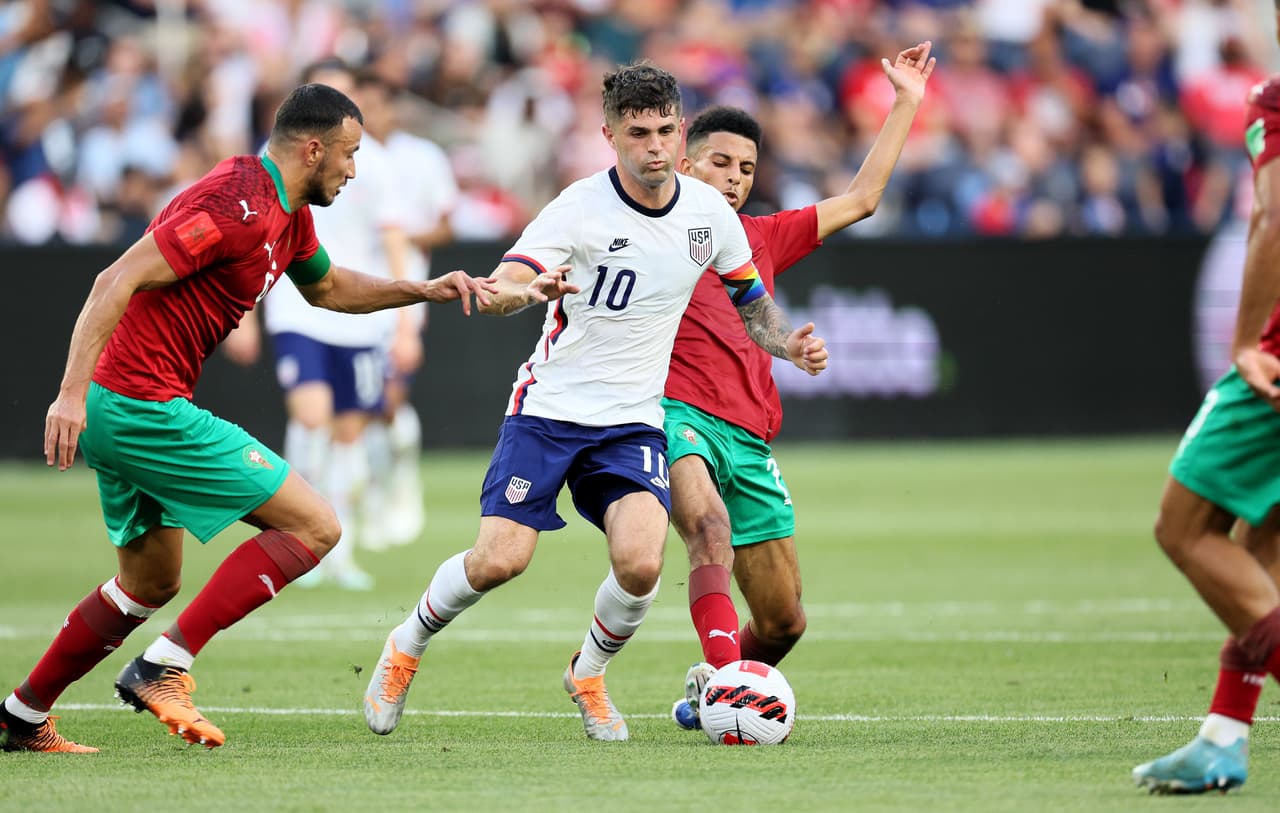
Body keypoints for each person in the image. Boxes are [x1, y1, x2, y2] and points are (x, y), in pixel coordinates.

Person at [0, 83, 494, 753]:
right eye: (349, 153)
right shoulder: (232, 204)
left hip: (131, 405)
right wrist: (69, 392)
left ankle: (22, 714)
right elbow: (112, 279)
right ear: (313, 148)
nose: (355, 169)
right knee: (316, 525)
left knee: (149, 581)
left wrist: (422, 290)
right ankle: (163, 665)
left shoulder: (288, 215)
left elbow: (326, 288)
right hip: (142, 405)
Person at [361, 61, 828, 742]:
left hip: (633, 417)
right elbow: (509, 282)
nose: (657, 147)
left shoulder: (708, 215)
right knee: (500, 559)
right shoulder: (579, 208)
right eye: (640, 133)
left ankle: (586, 671)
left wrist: (792, 347)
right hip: (550, 409)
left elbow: (754, 308)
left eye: (668, 130)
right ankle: (406, 643)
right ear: (610, 135)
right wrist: (523, 291)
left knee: (642, 563)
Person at [663, 42, 935, 731]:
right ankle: (726, 680)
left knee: (784, 621)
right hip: (672, 411)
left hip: (749, 435)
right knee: (707, 526)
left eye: (746, 168)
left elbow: (864, 199)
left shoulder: (765, 236)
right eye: (719, 162)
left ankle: (708, 692)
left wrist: (904, 102)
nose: (733, 178)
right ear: (685, 162)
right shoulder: (648, 232)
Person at [1130, 68, 1280, 794]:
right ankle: (1224, 735)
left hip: (1276, 367)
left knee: (1183, 528)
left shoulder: (1274, 97)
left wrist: (1248, 338)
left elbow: (1272, 216)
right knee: (1262, 548)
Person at [224, 60, 413, 590]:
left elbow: (394, 238)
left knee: (349, 435)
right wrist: (245, 318)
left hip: (356, 319)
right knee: (312, 419)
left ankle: (342, 548)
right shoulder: (275, 156)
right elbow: (251, 238)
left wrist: (404, 323)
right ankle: (297, 540)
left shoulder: (374, 162)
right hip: (296, 306)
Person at [359, 71, 460, 550]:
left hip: (403, 292)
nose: (368, 114)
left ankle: (399, 484)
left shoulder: (420, 157)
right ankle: (370, 499)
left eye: (375, 104)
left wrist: (396, 235)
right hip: (353, 292)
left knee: (389, 398)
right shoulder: (343, 154)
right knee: (356, 408)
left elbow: (445, 226)